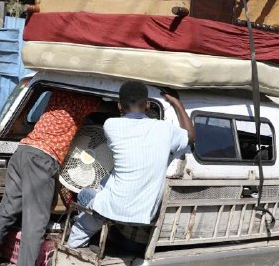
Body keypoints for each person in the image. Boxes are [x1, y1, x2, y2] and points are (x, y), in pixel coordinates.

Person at [0, 90, 101, 266]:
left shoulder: (56, 95)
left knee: (7, 212)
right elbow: (109, 112)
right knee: (36, 222)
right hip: (43, 158)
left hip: (23, 150)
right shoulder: (87, 99)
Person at [67, 81, 195, 248]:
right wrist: (177, 104)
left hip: (112, 208)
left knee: (85, 195)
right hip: (145, 213)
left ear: (120, 105)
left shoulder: (110, 125)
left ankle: (73, 246)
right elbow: (191, 137)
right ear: (148, 105)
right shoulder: (166, 129)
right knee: (103, 189)